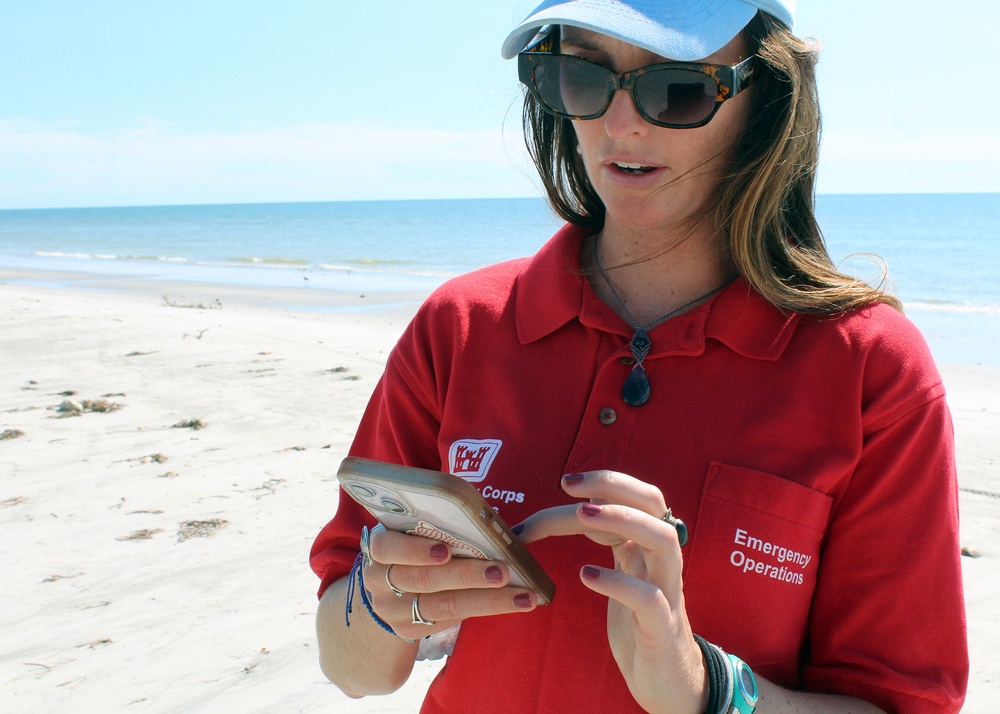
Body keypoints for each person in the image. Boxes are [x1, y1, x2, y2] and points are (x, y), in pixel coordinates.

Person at [310, 1, 969, 711]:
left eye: (676, 87)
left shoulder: (871, 371)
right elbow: (353, 668)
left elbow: (900, 699)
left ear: (768, 98)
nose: (621, 126)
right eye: (582, 76)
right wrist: (382, 607)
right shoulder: (460, 327)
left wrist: (707, 689)